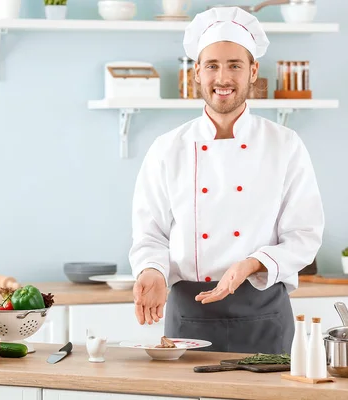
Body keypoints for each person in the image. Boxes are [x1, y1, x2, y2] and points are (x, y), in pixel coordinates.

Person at [128, 6, 325, 354]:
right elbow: (150, 233)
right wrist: (152, 271)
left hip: (263, 312)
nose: (223, 77)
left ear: (253, 72)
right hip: (189, 314)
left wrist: (251, 264)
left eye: (234, 65)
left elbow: (305, 236)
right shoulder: (167, 149)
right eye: (212, 66)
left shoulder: (285, 145)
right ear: (196, 74)